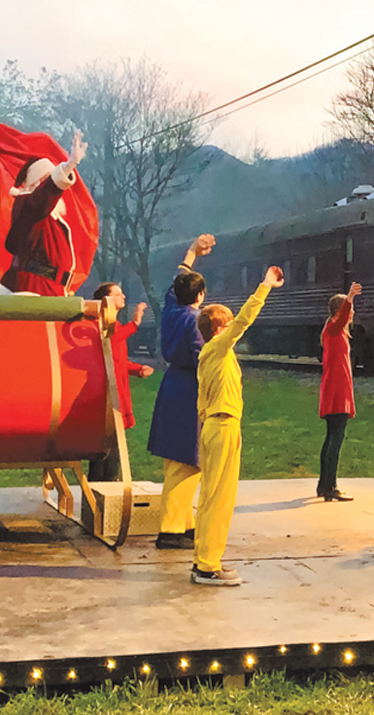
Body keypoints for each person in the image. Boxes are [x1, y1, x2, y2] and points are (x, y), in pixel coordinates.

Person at [191, 264, 285, 586]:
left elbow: (201, 399)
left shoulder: (213, 354)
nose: (235, 328)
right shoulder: (218, 348)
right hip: (223, 426)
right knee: (219, 499)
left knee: (210, 497)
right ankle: (207, 565)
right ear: (220, 329)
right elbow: (245, 319)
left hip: (213, 425)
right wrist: (265, 286)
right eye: (229, 325)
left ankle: (204, 559)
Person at [147, 234, 215, 550]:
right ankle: (171, 529)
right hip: (190, 391)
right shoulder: (195, 320)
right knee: (186, 464)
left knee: (179, 462)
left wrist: (191, 253)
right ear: (200, 295)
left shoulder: (172, 310)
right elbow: (203, 358)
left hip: (172, 386)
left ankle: (184, 524)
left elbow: (175, 284)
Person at [0, 130, 88, 296]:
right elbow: (40, 200)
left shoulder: (48, 216)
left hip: (49, 289)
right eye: (47, 179)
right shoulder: (27, 207)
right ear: (35, 185)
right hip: (35, 290)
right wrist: (68, 166)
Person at [88, 282, 153, 482]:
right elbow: (110, 342)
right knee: (106, 442)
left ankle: (110, 480)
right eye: (117, 294)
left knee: (115, 441)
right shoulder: (100, 326)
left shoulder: (114, 326)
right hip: (107, 391)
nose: (123, 297)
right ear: (106, 300)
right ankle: (100, 483)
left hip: (118, 388)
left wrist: (138, 370)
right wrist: (134, 323)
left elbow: (118, 360)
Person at [317, 281, 363, 502]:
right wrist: (350, 297)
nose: (352, 313)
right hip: (337, 391)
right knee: (336, 438)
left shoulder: (335, 332)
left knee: (331, 438)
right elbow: (343, 317)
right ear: (339, 311)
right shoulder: (334, 328)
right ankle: (330, 486)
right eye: (348, 310)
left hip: (335, 390)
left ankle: (324, 484)